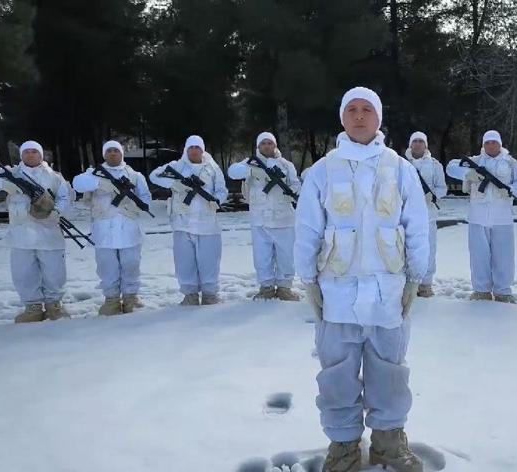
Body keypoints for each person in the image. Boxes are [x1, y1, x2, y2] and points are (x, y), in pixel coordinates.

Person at [294, 86, 429, 472]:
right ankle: (343, 446)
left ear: (378, 117)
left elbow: (417, 226)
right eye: (351, 109)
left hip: (387, 292)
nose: (358, 116)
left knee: (389, 369)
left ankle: (388, 442)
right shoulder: (322, 170)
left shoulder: (400, 169)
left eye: (366, 109)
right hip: (336, 293)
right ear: (342, 117)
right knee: (336, 374)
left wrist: (414, 278)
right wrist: (308, 280)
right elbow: (307, 228)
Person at [0, 141, 72, 322]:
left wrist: (57, 212)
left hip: (49, 232)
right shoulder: (12, 173)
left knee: (54, 271)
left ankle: (54, 305)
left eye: (34, 151)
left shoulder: (54, 176)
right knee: (24, 272)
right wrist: (5, 182)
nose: (30, 155)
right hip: (21, 234)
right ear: (21, 155)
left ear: (41, 155)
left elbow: (64, 198)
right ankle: (32, 307)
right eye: (26, 152)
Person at [445, 130, 517, 303]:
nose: (491, 145)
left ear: (500, 144)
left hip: (502, 216)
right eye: (488, 142)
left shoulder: (510, 162)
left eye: (494, 142)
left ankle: (503, 291)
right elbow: (451, 166)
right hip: (478, 215)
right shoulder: (475, 161)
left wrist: (511, 191)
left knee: (504, 256)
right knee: (479, 255)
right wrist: (468, 174)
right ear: (483, 145)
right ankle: (481, 290)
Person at [72, 140, 152, 315]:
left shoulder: (135, 175)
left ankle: (131, 297)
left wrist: (132, 200)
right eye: (109, 151)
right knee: (107, 266)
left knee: (131, 264)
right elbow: (78, 184)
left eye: (116, 150)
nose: (113, 153)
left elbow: (145, 199)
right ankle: (112, 299)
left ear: (121, 153)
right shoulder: (94, 175)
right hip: (103, 229)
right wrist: (102, 183)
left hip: (129, 228)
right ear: (104, 154)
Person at [150, 135, 228, 306]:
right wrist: (175, 184)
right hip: (182, 222)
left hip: (207, 223)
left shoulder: (212, 168)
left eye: (197, 147)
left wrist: (217, 200)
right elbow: (154, 176)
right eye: (191, 147)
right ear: (186, 150)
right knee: (184, 261)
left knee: (209, 260)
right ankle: (190, 294)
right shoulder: (177, 166)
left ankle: (210, 294)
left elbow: (222, 190)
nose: (194, 151)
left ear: (202, 149)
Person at [228, 132, 301, 301]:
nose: (267, 146)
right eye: (263, 144)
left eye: (270, 143)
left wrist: (293, 192)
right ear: (258, 146)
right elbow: (233, 172)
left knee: (286, 255)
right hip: (260, 219)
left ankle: (284, 287)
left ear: (275, 145)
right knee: (262, 255)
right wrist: (252, 168)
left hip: (283, 218)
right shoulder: (250, 164)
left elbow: (296, 184)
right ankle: (266, 287)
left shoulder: (285, 165)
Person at [404, 131, 447, 297]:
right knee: (405, 249)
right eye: (415, 141)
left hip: (428, 215)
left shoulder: (435, 165)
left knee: (428, 249)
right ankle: (407, 283)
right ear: (410, 144)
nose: (418, 144)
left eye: (421, 141)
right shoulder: (401, 164)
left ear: (426, 144)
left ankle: (425, 284)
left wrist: (433, 195)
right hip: (406, 215)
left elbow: (442, 188)